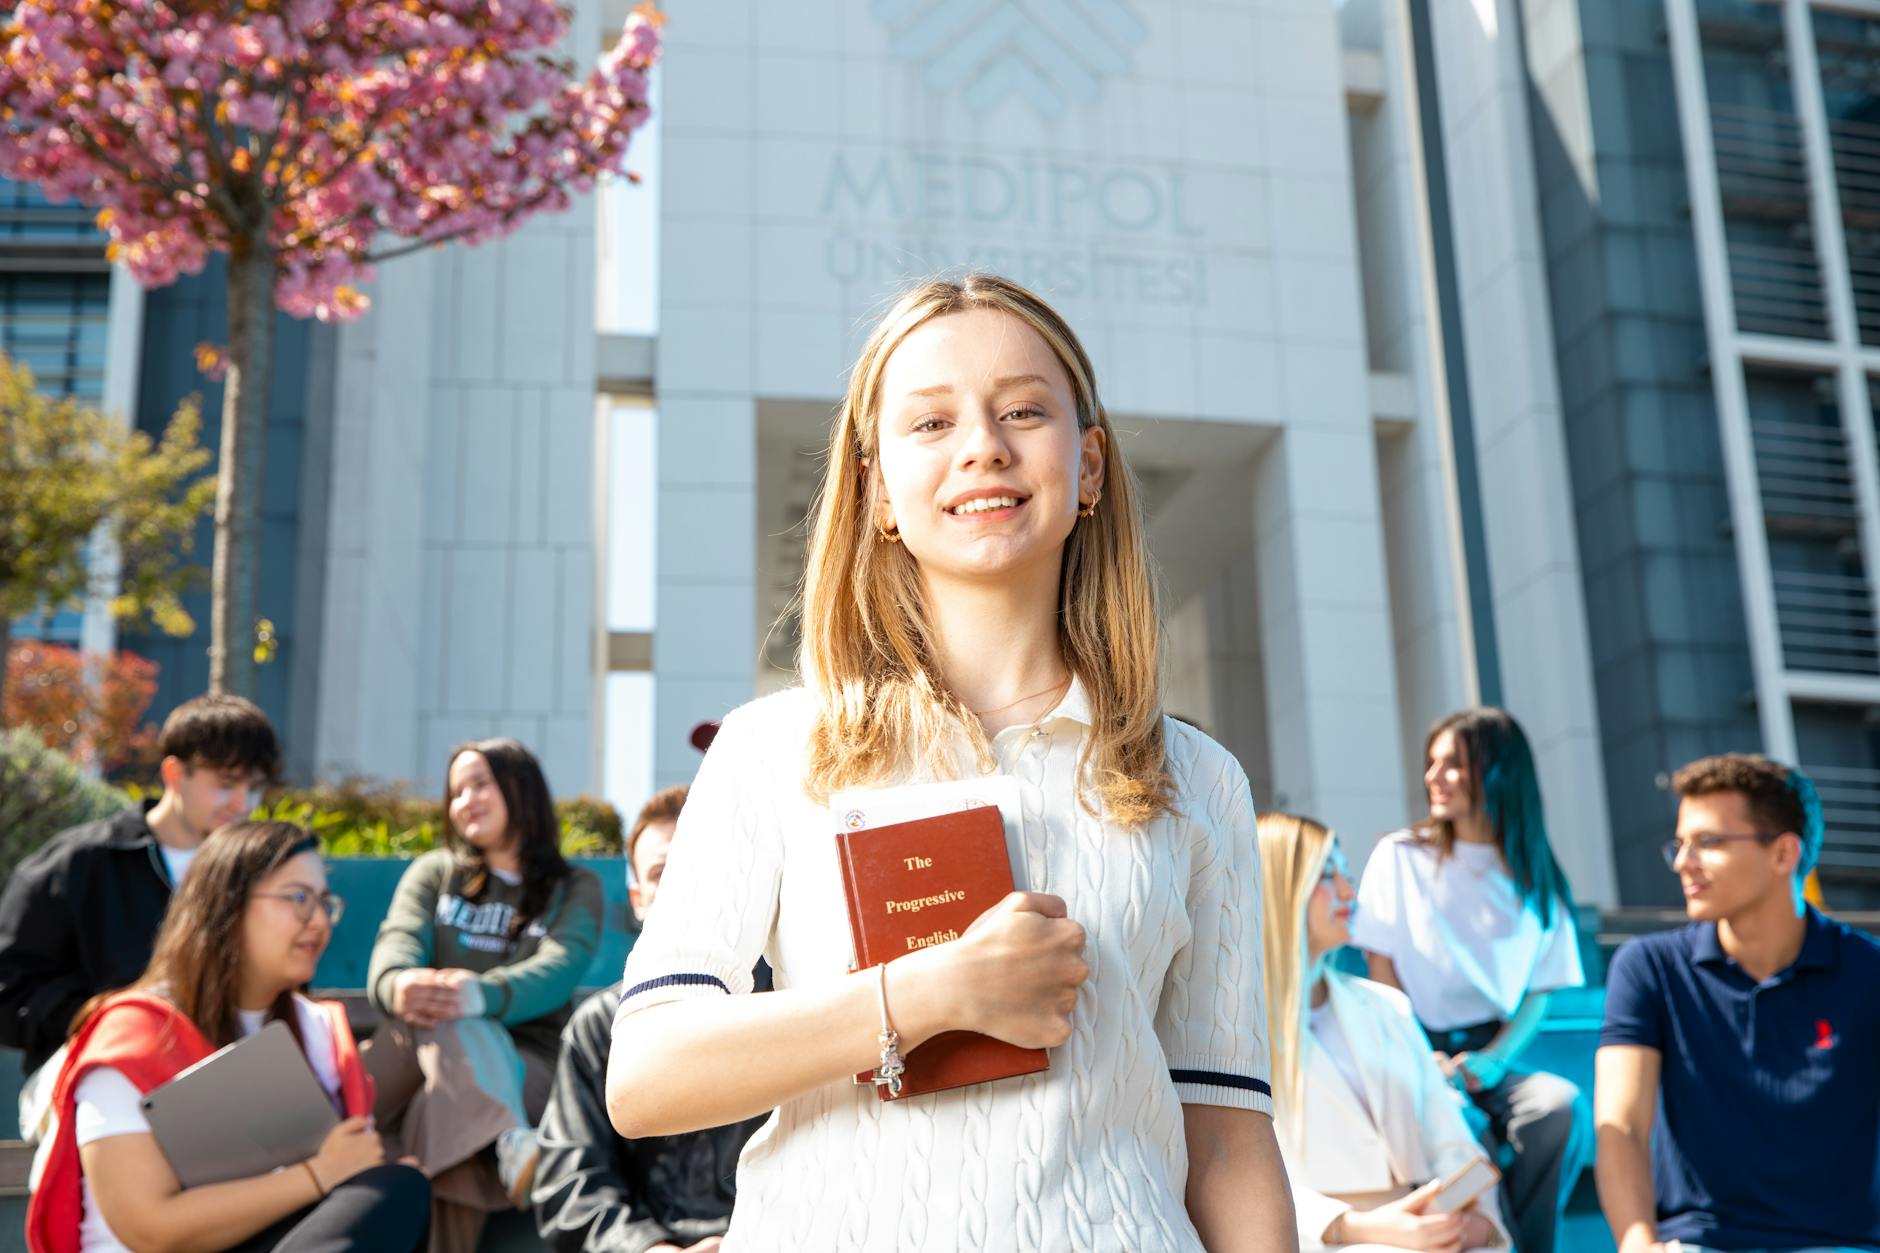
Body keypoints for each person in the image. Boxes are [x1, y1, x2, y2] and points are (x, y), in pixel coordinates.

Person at [605, 273, 1296, 1252]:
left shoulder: (1195, 777)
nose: (983, 444)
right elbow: (645, 1076)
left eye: (1021, 409)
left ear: (1088, 465)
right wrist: (928, 995)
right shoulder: (771, 750)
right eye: (930, 423)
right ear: (878, 489)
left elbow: (1226, 1136)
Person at [26, 820, 429, 1253]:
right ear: (227, 907)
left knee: (394, 1192)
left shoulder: (315, 1030)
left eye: (324, 902)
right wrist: (321, 1173)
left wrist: (350, 1175)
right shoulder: (132, 1037)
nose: (318, 921)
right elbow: (147, 1228)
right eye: (298, 898)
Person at [1596, 754, 1879, 1253]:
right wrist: (1638, 1245)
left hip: (1842, 1244)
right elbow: (1621, 1125)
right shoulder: (1648, 968)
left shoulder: (1868, 972)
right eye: (1680, 843)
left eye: (1708, 842)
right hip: (1701, 1243)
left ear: (1783, 854)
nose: (1684, 862)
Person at [1351, 707, 1589, 1253]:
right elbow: (1380, 968)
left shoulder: (1538, 876)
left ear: (1500, 772)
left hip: (1491, 1052)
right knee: (1461, 1127)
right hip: (1413, 1047)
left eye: (1454, 764)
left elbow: (1540, 992)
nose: (1434, 777)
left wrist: (1497, 1059)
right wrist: (1418, 1055)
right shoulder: (1400, 856)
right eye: (1431, 763)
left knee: (1557, 1108)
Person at [0, 693, 280, 1140]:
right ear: (174, 773)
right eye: (227, 783)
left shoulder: (262, 875)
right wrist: (114, 1013)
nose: (244, 804)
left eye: (257, 787)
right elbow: (8, 994)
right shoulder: (81, 863)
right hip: (88, 1071)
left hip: (219, 1078)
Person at [366, 737, 604, 1252]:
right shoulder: (435, 873)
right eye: (455, 792)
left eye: (479, 784)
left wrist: (481, 996)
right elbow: (398, 939)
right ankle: (513, 1145)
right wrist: (399, 983)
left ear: (521, 788)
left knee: (440, 1108)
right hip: (417, 1040)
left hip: (527, 1060)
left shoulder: (573, 887)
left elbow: (560, 967)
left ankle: (500, 1138)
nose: (464, 801)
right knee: (445, 1013)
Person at [1258, 811, 1511, 1253]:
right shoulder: (1237, 1027)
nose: (1347, 891)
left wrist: (1476, 1225)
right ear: (1280, 888)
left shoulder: (1387, 1006)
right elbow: (1241, 1175)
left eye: (1347, 874)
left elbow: (1451, 1140)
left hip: (1429, 1231)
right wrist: (1356, 1228)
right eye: (1326, 874)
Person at [534, 785, 767, 1253]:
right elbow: (570, 1182)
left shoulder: (796, 996)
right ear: (638, 899)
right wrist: (647, 1249)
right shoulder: (599, 1026)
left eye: (695, 861)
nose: (681, 882)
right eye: (663, 871)